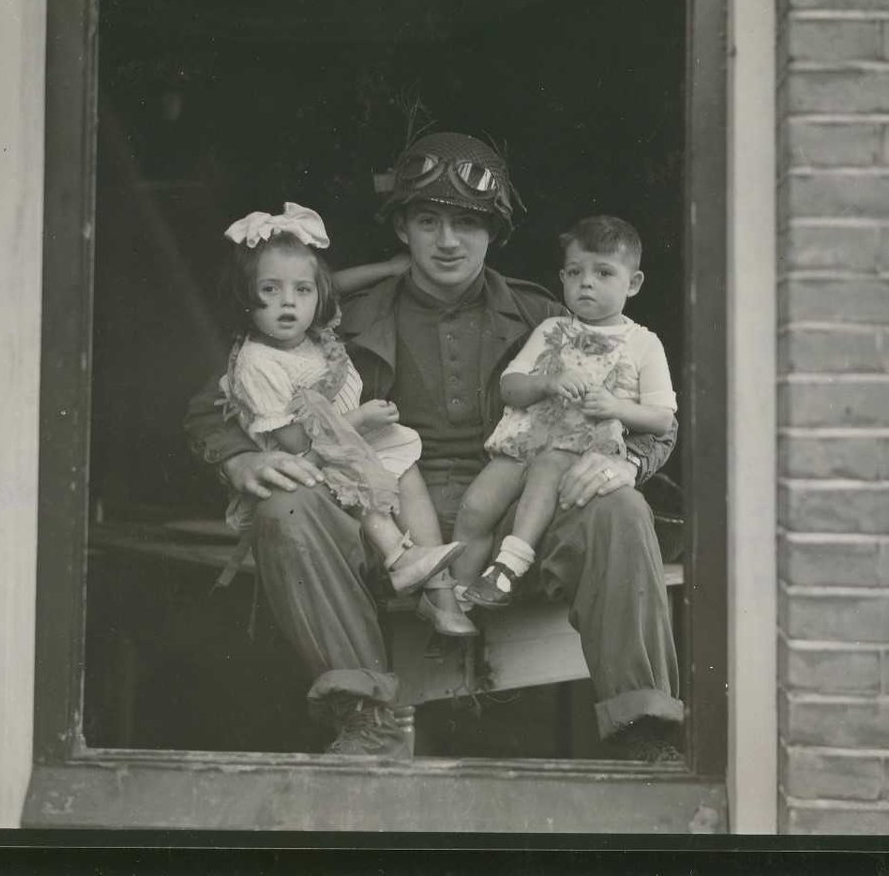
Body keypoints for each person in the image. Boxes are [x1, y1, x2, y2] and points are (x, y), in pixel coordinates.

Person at [184, 131, 684, 761]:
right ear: (402, 230)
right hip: (376, 516)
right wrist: (240, 455)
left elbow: (657, 422)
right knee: (284, 509)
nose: (448, 241)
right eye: (429, 221)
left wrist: (626, 464)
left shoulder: (545, 317)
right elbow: (216, 402)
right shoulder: (339, 314)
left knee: (621, 507)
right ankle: (366, 719)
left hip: (512, 519)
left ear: (493, 234)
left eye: (468, 224)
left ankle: (643, 730)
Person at [216, 202, 466, 609]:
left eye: (302, 290)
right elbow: (298, 444)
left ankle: (437, 581)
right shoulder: (258, 363)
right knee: (355, 470)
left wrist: (387, 268)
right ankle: (399, 558)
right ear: (246, 296)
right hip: (306, 464)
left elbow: (334, 281)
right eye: (269, 290)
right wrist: (361, 418)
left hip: (346, 443)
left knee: (404, 463)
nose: (288, 303)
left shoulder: (313, 332)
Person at [454, 216, 676, 608]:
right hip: (524, 441)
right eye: (575, 272)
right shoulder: (551, 329)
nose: (586, 282)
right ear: (562, 277)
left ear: (634, 283)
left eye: (604, 272)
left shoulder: (643, 344)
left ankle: (508, 568)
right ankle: (459, 598)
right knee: (475, 507)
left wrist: (617, 408)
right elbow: (510, 386)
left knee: (547, 471)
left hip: (580, 455)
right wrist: (546, 382)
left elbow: (661, 418)